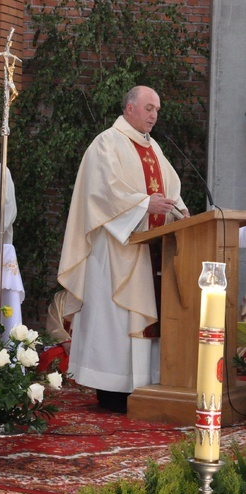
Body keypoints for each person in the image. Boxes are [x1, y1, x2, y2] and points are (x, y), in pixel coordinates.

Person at [57, 85, 190, 413]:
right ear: (129, 108)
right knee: (115, 320)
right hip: (116, 250)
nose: (153, 115)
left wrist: (181, 211)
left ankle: (142, 384)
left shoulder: (154, 148)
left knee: (142, 317)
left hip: (150, 250)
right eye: (148, 108)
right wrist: (144, 204)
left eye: (157, 109)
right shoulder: (107, 143)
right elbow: (103, 192)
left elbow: (170, 189)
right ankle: (111, 388)